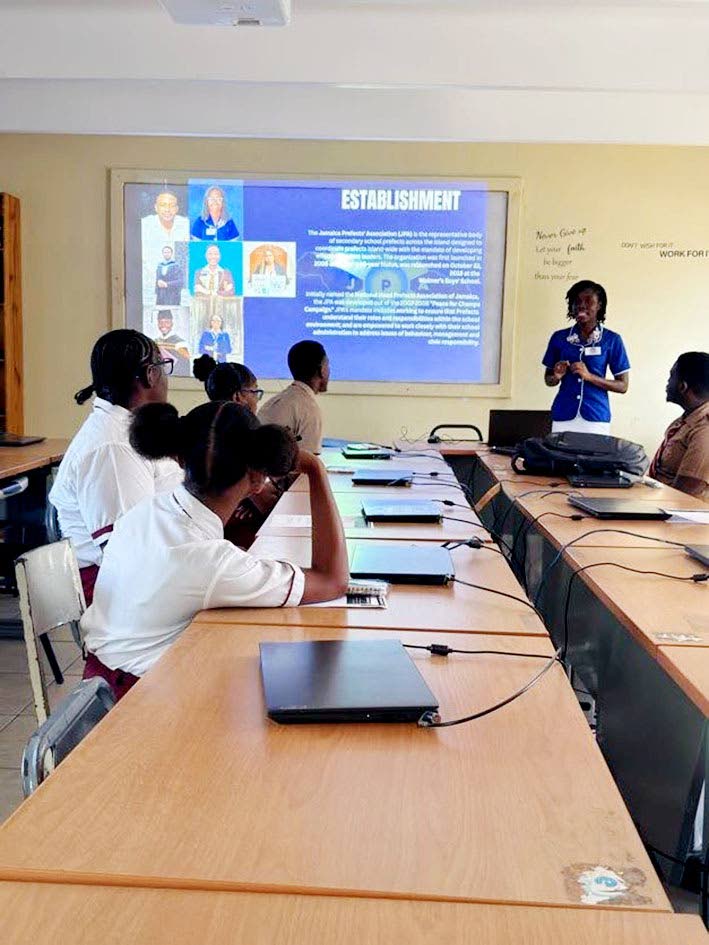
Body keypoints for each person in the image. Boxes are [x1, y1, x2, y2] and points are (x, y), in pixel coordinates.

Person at [80, 401, 349, 699]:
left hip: (97, 684)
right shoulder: (210, 561)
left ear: (179, 458)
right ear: (258, 477)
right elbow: (333, 581)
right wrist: (315, 469)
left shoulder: (148, 510)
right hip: (137, 701)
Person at [48, 330, 182, 605]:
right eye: (164, 368)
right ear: (149, 374)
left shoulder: (130, 430)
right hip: (112, 592)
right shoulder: (112, 447)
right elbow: (127, 552)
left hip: (139, 574)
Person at [542, 280, 630, 434]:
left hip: (595, 417)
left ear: (599, 305)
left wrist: (590, 377)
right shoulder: (559, 338)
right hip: (563, 415)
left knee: (594, 458)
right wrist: (556, 376)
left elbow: (623, 386)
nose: (581, 306)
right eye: (577, 302)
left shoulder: (612, 339)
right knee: (561, 458)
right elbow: (549, 380)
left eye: (588, 301)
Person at [649, 352, 709, 499]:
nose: (668, 382)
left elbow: (686, 492)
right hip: (662, 501)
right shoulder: (685, 420)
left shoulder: (705, 428)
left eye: (671, 376)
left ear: (683, 386)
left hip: (685, 514)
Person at [259, 340, 329, 453]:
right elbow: (309, 462)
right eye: (328, 365)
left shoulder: (273, 402)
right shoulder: (308, 409)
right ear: (322, 370)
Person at [193, 354, 263, 414]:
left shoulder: (191, 422)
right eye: (255, 392)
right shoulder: (248, 427)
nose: (257, 399)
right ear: (237, 397)